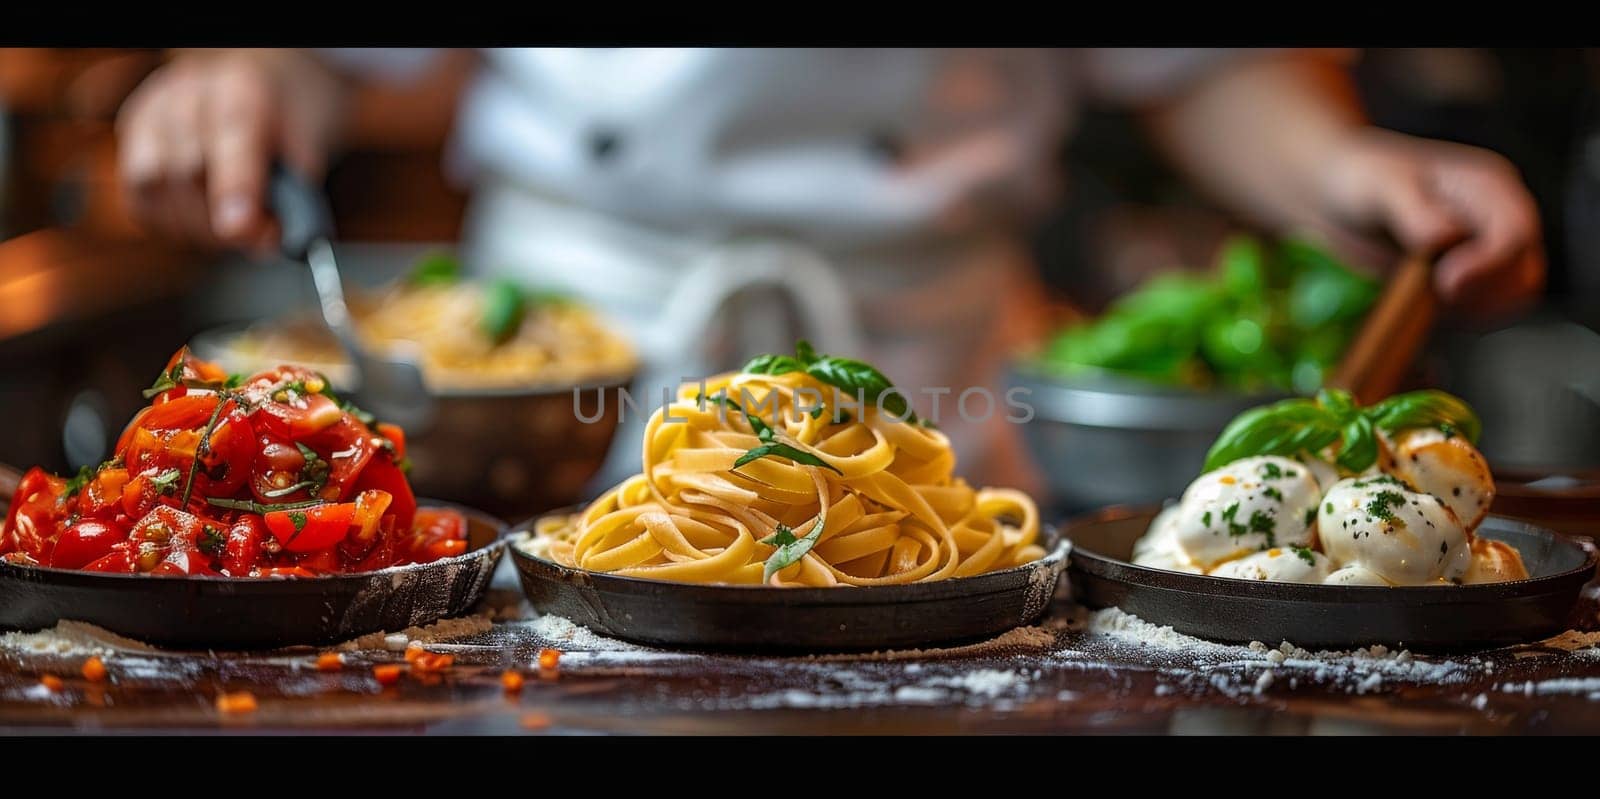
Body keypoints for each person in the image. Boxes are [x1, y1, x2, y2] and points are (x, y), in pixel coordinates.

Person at [115, 48, 1546, 493]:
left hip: (937, 369)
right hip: (564, 378)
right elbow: (347, 65)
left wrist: (1344, 169)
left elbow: (1186, 64)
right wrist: (243, 83)